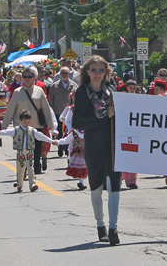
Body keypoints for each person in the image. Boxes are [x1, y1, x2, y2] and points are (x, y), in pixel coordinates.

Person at [72, 55, 121, 246]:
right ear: (87, 72)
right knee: (96, 188)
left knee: (115, 187)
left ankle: (113, 228)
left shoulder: (112, 90)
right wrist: (103, 118)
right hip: (93, 146)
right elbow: (78, 122)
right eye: (94, 70)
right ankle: (100, 225)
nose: (98, 74)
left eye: (101, 70)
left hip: (113, 146)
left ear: (106, 72)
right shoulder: (82, 93)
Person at [2, 67, 54, 175]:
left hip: (36, 125)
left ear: (34, 78)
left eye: (29, 77)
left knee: (36, 149)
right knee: (23, 149)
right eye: (24, 77)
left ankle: (36, 167)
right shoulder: (17, 92)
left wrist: (50, 124)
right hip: (21, 127)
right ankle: (24, 169)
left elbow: (46, 108)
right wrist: (5, 125)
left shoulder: (39, 91)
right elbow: (11, 109)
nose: (27, 79)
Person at [0, 109, 58, 193]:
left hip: (29, 152)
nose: (27, 124)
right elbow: (6, 132)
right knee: (20, 169)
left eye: (28, 122)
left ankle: (32, 185)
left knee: (31, 169)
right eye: (25, 122)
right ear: (20, 121)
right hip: (20, 152)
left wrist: (51, 141)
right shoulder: (16, 130)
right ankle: (19, 185)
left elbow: (41, 136)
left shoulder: (32, 130)